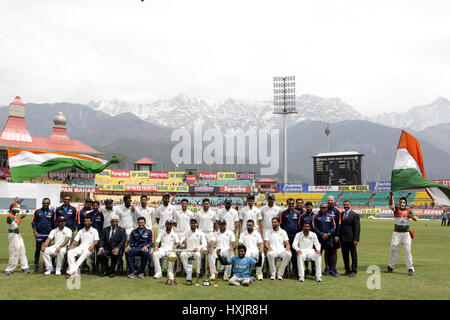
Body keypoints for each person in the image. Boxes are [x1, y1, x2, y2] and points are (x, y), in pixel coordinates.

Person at [385, 193, 417, 276]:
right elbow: (390, 205)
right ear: (399, 203)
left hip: (406, 234)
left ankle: (410, 268)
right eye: (400, 202)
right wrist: (391, 195)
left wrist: (412, 217)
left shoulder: (409, 210)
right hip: (396, 234)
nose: (402, 204)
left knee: (407, 250)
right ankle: (390, 267)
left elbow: (416, 219)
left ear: (406, 203)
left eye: (403, 202)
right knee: (393, 249)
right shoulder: (396, 209)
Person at [312, 203, 337, 276]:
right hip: (319, 239)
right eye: (322, 207)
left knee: (330, 255)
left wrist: (328, 234)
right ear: (320, 208)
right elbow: (314, 227)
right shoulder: (316, 217)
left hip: (328, 239)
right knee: (317, 254)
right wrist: (321, 234)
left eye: (325, 208)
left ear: (327, 208)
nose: (323, 209)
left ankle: (331, 270)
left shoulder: (330, 217)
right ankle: (316, 270)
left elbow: (334, 227)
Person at [180, 218, 207, 284]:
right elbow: (181, 244)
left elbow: (205, 243)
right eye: (192, 223)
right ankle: (189, 274)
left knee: (198, 255)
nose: (193, 224)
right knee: (182, 255)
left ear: (197, 224)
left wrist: (198, 248)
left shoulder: (200, 233)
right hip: (188, 250)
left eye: (194, 223)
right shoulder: (186, 233)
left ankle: (198, 272)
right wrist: (183, 242)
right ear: (189, 224)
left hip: (196, 251)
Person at [5, 202, 29, 275]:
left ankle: (24, 267)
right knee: (14, 251)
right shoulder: (10, 216)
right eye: (17, 208)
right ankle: (9, 268)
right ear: (12, 209)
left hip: (17, 235)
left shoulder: (13, 216)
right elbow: (15, 226)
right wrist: (21, 218)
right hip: (13, 235)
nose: (19, 209)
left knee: (22, 249)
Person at [279, 198, 302, 277]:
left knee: (295, 254)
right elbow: (281, 225)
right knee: (286, 253)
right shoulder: (283, 213)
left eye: (292, 203)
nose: (291, 205)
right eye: (290, 203)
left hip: (295, 237)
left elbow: (299, 226)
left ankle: (295, 270)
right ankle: (285, 271)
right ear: (287, 204)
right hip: (286, 237)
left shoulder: (298, 213)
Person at [31, 198, 55, 272]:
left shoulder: (52, 212)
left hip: (48, 235)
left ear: (49, 204)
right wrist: (35, 232)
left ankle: (46, 265)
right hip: (39, 235)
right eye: (44, 203)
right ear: (42, 203)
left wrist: (53, 234)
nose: (46, 204)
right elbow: (33, 222)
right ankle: (36, 265)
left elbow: (53, 224)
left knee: (47, 251)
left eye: (47, 203)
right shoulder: (37, 211)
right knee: (38, 250)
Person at [340, 200, 360, 277]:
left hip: (351, 239)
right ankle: (347, 270)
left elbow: (357, 228)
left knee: (353, 255)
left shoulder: (355, 215)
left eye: (347, 204)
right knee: (345, 255)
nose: (346, 206)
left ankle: (354, 270)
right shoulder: (341, 214)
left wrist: (356, 239)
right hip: (343, 239)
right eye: (344, 205)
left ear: (350, 205)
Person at [300, 201, 316, 275]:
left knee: (313, 252)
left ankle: (313, 268)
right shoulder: (302, 216)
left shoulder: (315, 215)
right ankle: (306, 268)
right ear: (305, 207)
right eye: (307, 207)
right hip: (305, 237)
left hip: (312, 237)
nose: (309, 208)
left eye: (310, 207)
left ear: (312, 207)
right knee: (305, 251)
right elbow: (300, 226)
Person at [327, 195, 341, 276]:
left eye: (331, 200)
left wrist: (337, 236)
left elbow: (339, 224)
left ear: (334, 201)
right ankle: (327, 267)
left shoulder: (336, 211)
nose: (330, 202)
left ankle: (334, 268)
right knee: (326, 252)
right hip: (326, 235)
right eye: (329, 200)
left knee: (334, 251)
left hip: (334, 235)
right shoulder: (323, 210)